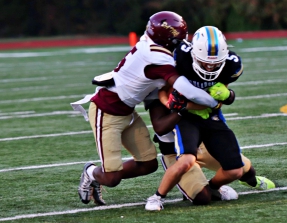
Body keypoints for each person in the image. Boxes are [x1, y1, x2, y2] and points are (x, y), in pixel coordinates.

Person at [72, 12, 221, 205]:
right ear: (168, 39)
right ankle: (91, 172)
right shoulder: (157, 58)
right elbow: (187, 90)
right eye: (179, 37)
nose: (183, 41)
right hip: (106, 111)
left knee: (148, 164)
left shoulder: (150, 43)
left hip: (127, 111)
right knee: (112, 178)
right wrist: (212, 102)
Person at [145, 26, 275, 211]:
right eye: (205, 62)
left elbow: (218, 102)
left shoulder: (231, 64)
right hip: (181, 132)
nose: (210, 67)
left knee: (239, 168)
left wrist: (227, 95)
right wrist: (174, 106)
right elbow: (162, 112)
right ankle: (157, 197)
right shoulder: (179, 60)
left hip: (207, 120)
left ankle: (222, 186)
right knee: (195, 181)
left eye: (215, 63)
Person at [144, 91, 275, 208]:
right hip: (176, 153)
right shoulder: (159, 94)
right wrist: (181, 108)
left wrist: (225, 95)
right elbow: (160, 128)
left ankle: (241, 182)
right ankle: (170, 193)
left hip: (203, 145)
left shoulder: (195, 84)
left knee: (242, 168)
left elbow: (220, 100)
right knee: (202, 197)